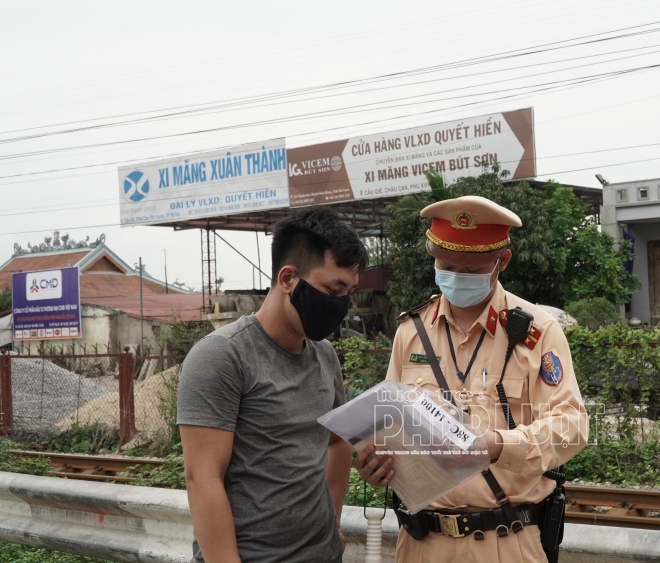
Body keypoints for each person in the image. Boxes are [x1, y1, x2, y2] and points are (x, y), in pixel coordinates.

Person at [356, 195, 589, 563]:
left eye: (472, 270)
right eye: (446, 266)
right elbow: (389, 424)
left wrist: (497, 445)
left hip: (506, 540)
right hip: (421, 545)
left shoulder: (537, 331)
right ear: (432, 255)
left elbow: (572, 426)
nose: (456, 278)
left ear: (502, 262)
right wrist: (378, 462)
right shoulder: (411, 332)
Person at [177, 208, 368, 563]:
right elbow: (202, 479)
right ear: (288, 279)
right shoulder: (222, 357)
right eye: (333, 289)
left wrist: (334, 523)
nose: (341, 304)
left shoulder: (325, 356)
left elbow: (336, 442)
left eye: (349, 292)